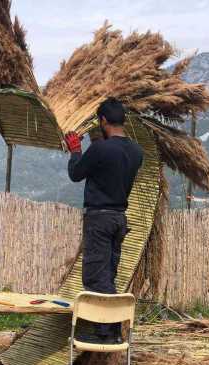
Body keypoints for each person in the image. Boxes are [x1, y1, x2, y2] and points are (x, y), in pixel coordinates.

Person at [64, 97, 143, 345]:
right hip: (119, 219)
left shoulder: (100, 149)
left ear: (103, 121)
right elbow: (111, 164)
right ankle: (107, 330)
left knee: (96, 277)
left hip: (99, 219)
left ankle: (107, 333)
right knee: (108, 274)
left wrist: (76, 151)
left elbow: (76, 174)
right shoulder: (136, 152)